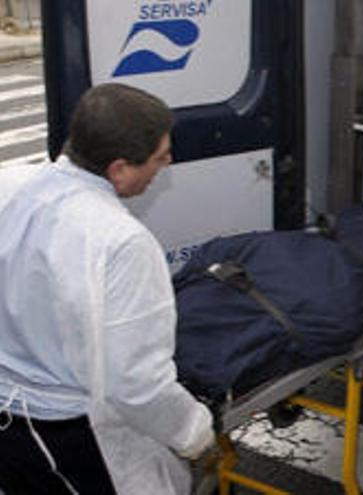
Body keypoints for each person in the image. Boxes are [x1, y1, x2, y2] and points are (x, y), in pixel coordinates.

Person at [0, 83, 215, 495]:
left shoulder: (10, 186)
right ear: (118, 169)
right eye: (158, 157)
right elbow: (136, 385)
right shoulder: (120, 242)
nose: (167, 163)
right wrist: (195, 432)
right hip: (60, 433)